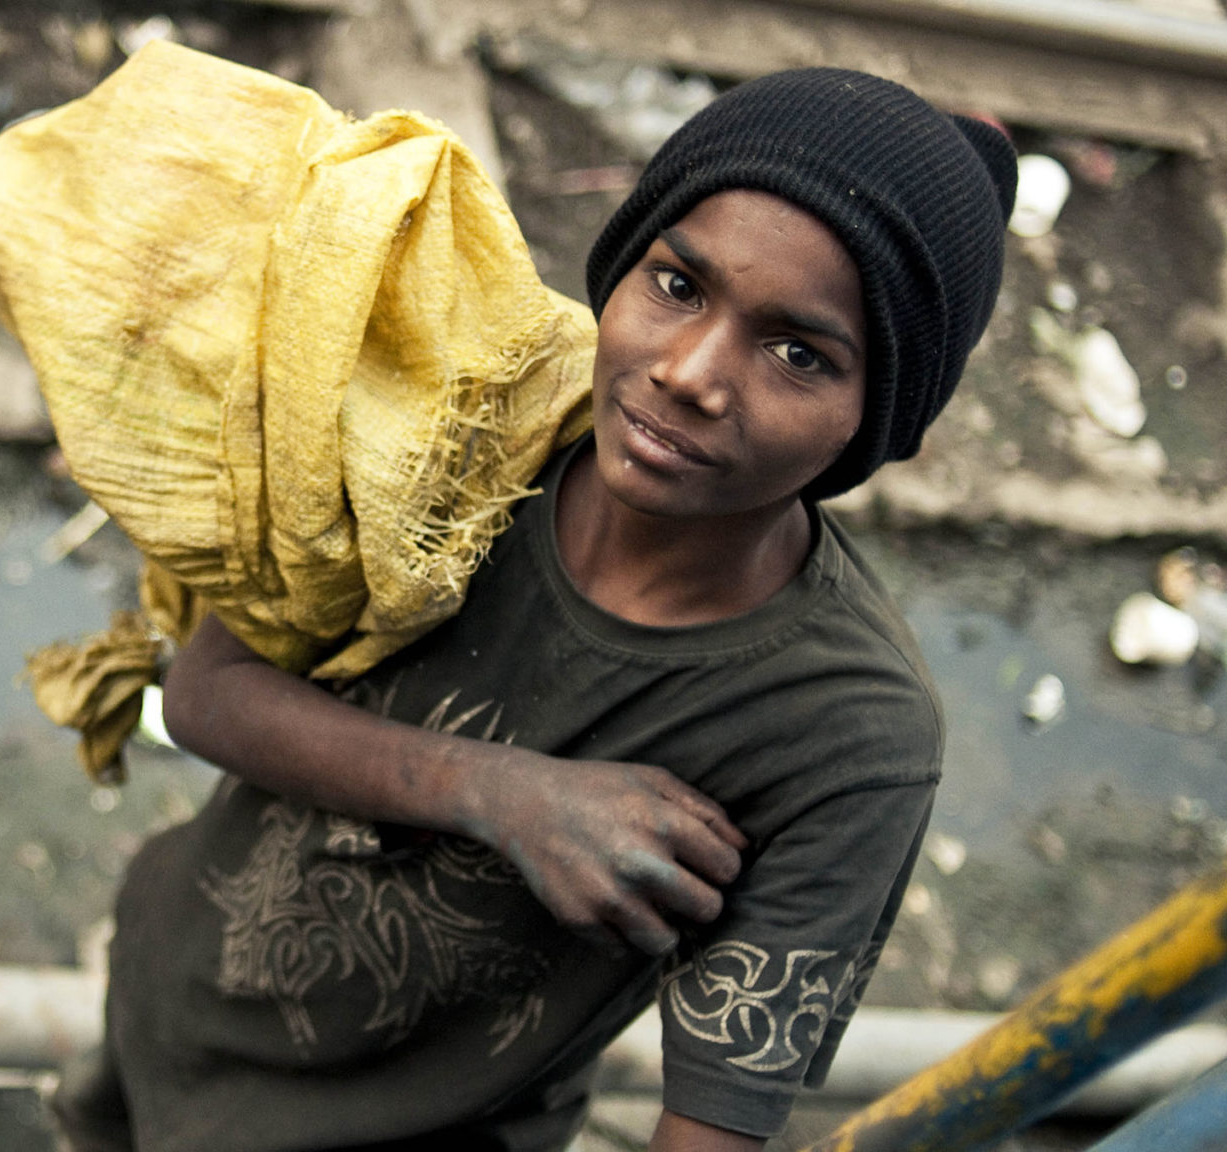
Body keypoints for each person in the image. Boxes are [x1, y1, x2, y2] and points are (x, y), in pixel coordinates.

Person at [54, 67, 1017, 1152]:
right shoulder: (460, 417)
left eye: (797, 352)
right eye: (676, 286)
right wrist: (499, 794)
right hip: (169, 992)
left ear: (876, 419)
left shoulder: (844, 732)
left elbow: (711, 1124)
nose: (690, 372)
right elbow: (204, 695)